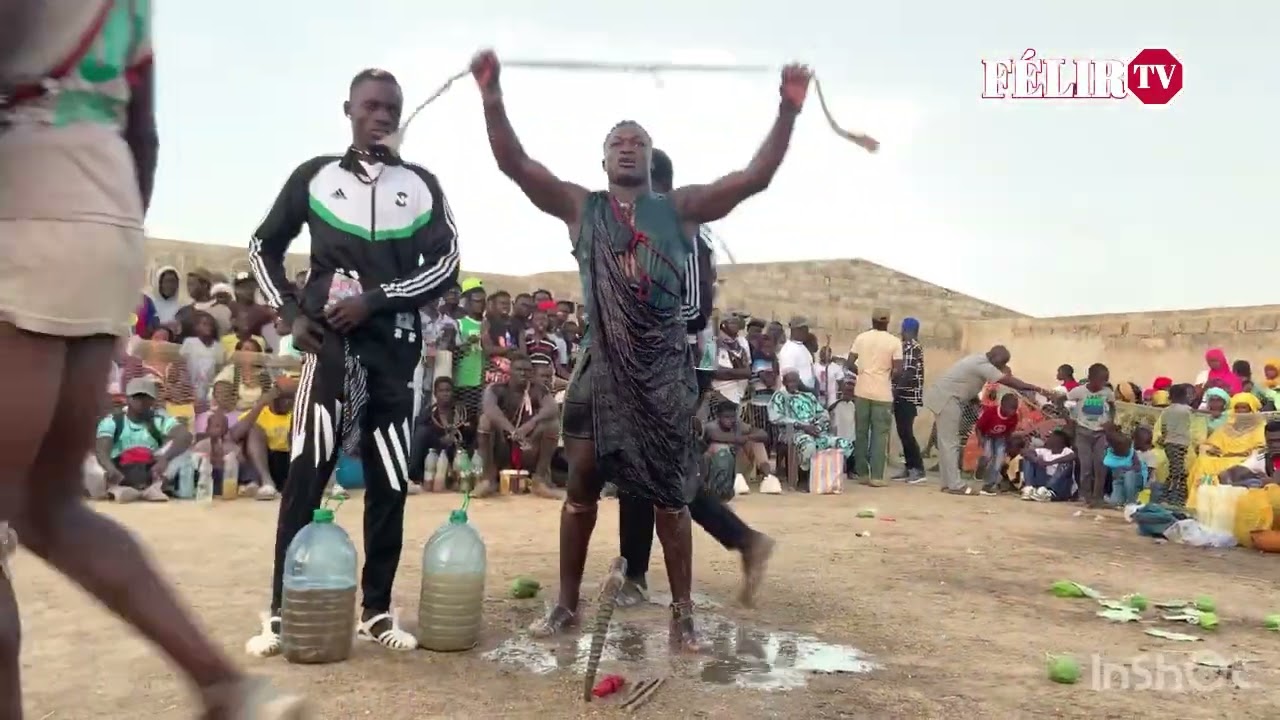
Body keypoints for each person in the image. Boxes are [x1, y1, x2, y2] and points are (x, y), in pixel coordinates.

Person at [0, 2, 306, 715]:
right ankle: (225, 686)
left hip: (18, 215)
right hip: (105, 224)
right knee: (49, 506)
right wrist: (105, 236)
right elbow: (145, 135)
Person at [473, 49, 807, 647]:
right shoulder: (584, 208)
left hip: (662, 379)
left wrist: (788, 108)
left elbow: (751, 179)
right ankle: (568, 607)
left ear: (651, 159)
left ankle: (683, 617)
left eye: (638, 141)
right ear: (603, 158)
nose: (628, 146)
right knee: (580, 493)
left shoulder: (677, 212)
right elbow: (515, 165)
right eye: (617, 141)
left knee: (670, 499)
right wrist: (492, 95)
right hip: (598, 374)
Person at [246, 68, 459, 656]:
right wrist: (290, 314)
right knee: (307, 474)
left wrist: (377, 299)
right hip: (330, 352)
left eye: (391, 106)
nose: (382, 115)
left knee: (389, 480)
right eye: (370, 105)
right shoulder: (315, 176)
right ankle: (282, 613)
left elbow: (447, 266)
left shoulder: (421, 184)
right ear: (349, 110)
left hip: (395, 351)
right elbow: (262, 246)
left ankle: (377, 609)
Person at [615, 149, 775, 611]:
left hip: (669, 365)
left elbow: (691, 310)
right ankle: (643, 569)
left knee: (653, 473)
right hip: (670, 365)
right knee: (650, 472)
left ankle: (641, 573)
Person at [923, 346, 1051, 496]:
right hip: (948, 400)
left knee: (948, 443)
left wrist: (974, 400)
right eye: (1002, 363)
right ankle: (955, 485)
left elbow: (967, 382)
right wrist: (1038, 389)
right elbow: (1010, 382)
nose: (1001, 366)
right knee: (950, 443)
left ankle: (948, 483)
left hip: (947, 398)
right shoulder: (983, 365)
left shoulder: (978, 359)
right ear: (995, 357)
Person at [474, 352, 562, 498]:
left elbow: (551, 408)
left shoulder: (538, 390)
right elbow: (489, 408)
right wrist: (512, 430)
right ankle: (488, 479)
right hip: (503, 448)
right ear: (510, 371)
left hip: (527, 447)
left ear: (532, 373)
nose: (523, 373)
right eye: (518, 369)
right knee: (485, 421)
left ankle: (539, 481)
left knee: (552, 424)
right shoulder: (497, 389)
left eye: (527, 370)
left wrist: (529, 425)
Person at [94, 377, 193, 503]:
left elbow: (185, 436)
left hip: (152, 470)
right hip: (120, 470)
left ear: (152, 400)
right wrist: (110, 468)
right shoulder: (112, 421)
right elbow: (102, 449)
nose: (141, 401)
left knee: (185, 453)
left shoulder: (159, 419)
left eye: (146, 398)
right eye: (137, 397)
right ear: (127, 398)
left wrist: (165, 457)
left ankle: (154, 488)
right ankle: (120, 489)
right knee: (91, 460)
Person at [847, 308, 902, 485]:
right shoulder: (894, 342)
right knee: (880, 435)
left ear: (872, 320)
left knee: (861, 432)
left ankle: (862, 473)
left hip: (861, 391)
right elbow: (898, 370)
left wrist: (862, 373)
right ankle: (877, 476)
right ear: (887, 322)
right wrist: (886, 377)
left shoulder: (861, 338)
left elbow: (849, 363)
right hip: (882, 394)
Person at [1186, 392, 1266, 510]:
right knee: (1202, 462)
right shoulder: (1227, 427)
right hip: (1221, 458)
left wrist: (1239, 454)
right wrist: (1211, 450)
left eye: (1243, 407)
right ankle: (1198, 503)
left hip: (1243, 461)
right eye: (1237, 407)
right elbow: (1208, 445)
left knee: (1234, 467)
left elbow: (1261, 449)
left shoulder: (1260, 427)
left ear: (1251, 409)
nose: (1240, 411)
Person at [769, 370, 854, 473]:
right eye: (789, 381)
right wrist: (803, 427)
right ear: (784, 382)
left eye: (795, 381)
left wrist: (817, 427)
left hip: (816, 432)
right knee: (809, 446)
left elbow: (823, 414)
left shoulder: (808, 396)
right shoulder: (779, 396)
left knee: (843, 443)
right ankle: (805, 477)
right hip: (793, 433)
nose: (793, 384)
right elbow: (775, 417)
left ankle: (833, 476)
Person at [1066, 363, 1115, 508]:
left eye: (1105, 381)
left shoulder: (1107, 393)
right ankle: (1085, 495)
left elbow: (1112, 407)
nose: (1102, 384)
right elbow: (1064, 402)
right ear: (1090, 378)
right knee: (1085, 466)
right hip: (1083, 431)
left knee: (1100, 465)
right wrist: (1069, 419)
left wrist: (1111, 421)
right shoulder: (1078, 392)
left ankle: (1097, 496)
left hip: (1100, 433)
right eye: (1100, 380)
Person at [891, 317, 926, 482]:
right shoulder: (905, 347)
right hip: (902, 395)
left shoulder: (913, 347)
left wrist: (895, 393)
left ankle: (917, 469)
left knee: (907, 432)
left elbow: (909, 373)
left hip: (907, 396)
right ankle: (909, 467)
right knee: (903, 432)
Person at [1155, 383, 1195, 507]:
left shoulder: (1166, 411)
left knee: (1175, 471)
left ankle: (1166, 497)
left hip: (1169, 444)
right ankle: (1173, 498)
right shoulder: (1187, 410)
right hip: (1181, 444)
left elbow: (1163, 428)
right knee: (1178, 472)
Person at [974, 392, 1019, 495]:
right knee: (987, 455)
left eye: (1015, 409)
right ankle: (980, 468)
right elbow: (978, 427)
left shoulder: (1014, 417)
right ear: (1002, 406)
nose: (1013, 412)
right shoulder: (991, 412)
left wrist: (1007, 444)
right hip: (987, 436)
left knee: (998, 461)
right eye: (1010, 408)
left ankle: (988, 485)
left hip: (1000, 438)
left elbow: (1009, 431)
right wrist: (980, 439)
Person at [1020, 429, 1075, 501]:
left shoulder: (1066, 451)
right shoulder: (1045, 451)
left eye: (1050, 437)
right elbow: (1026, 452)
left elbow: (1072, 457)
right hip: (1044, 481)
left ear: (1059, 441)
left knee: (1065, 463)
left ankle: (1048, 490)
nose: (1047, 439)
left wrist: (1051, 462)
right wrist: (1036, 460)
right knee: (1028, 459)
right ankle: (1029, 488)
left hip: (1060, 485)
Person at [778, 317, 817, 392]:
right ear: (796, 330)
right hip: (795, 395)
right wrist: (808, 390)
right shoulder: (789, 349)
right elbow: (789, 377)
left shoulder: (803, 347)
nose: (807, 332)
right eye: (804, 329)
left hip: (807, 395)